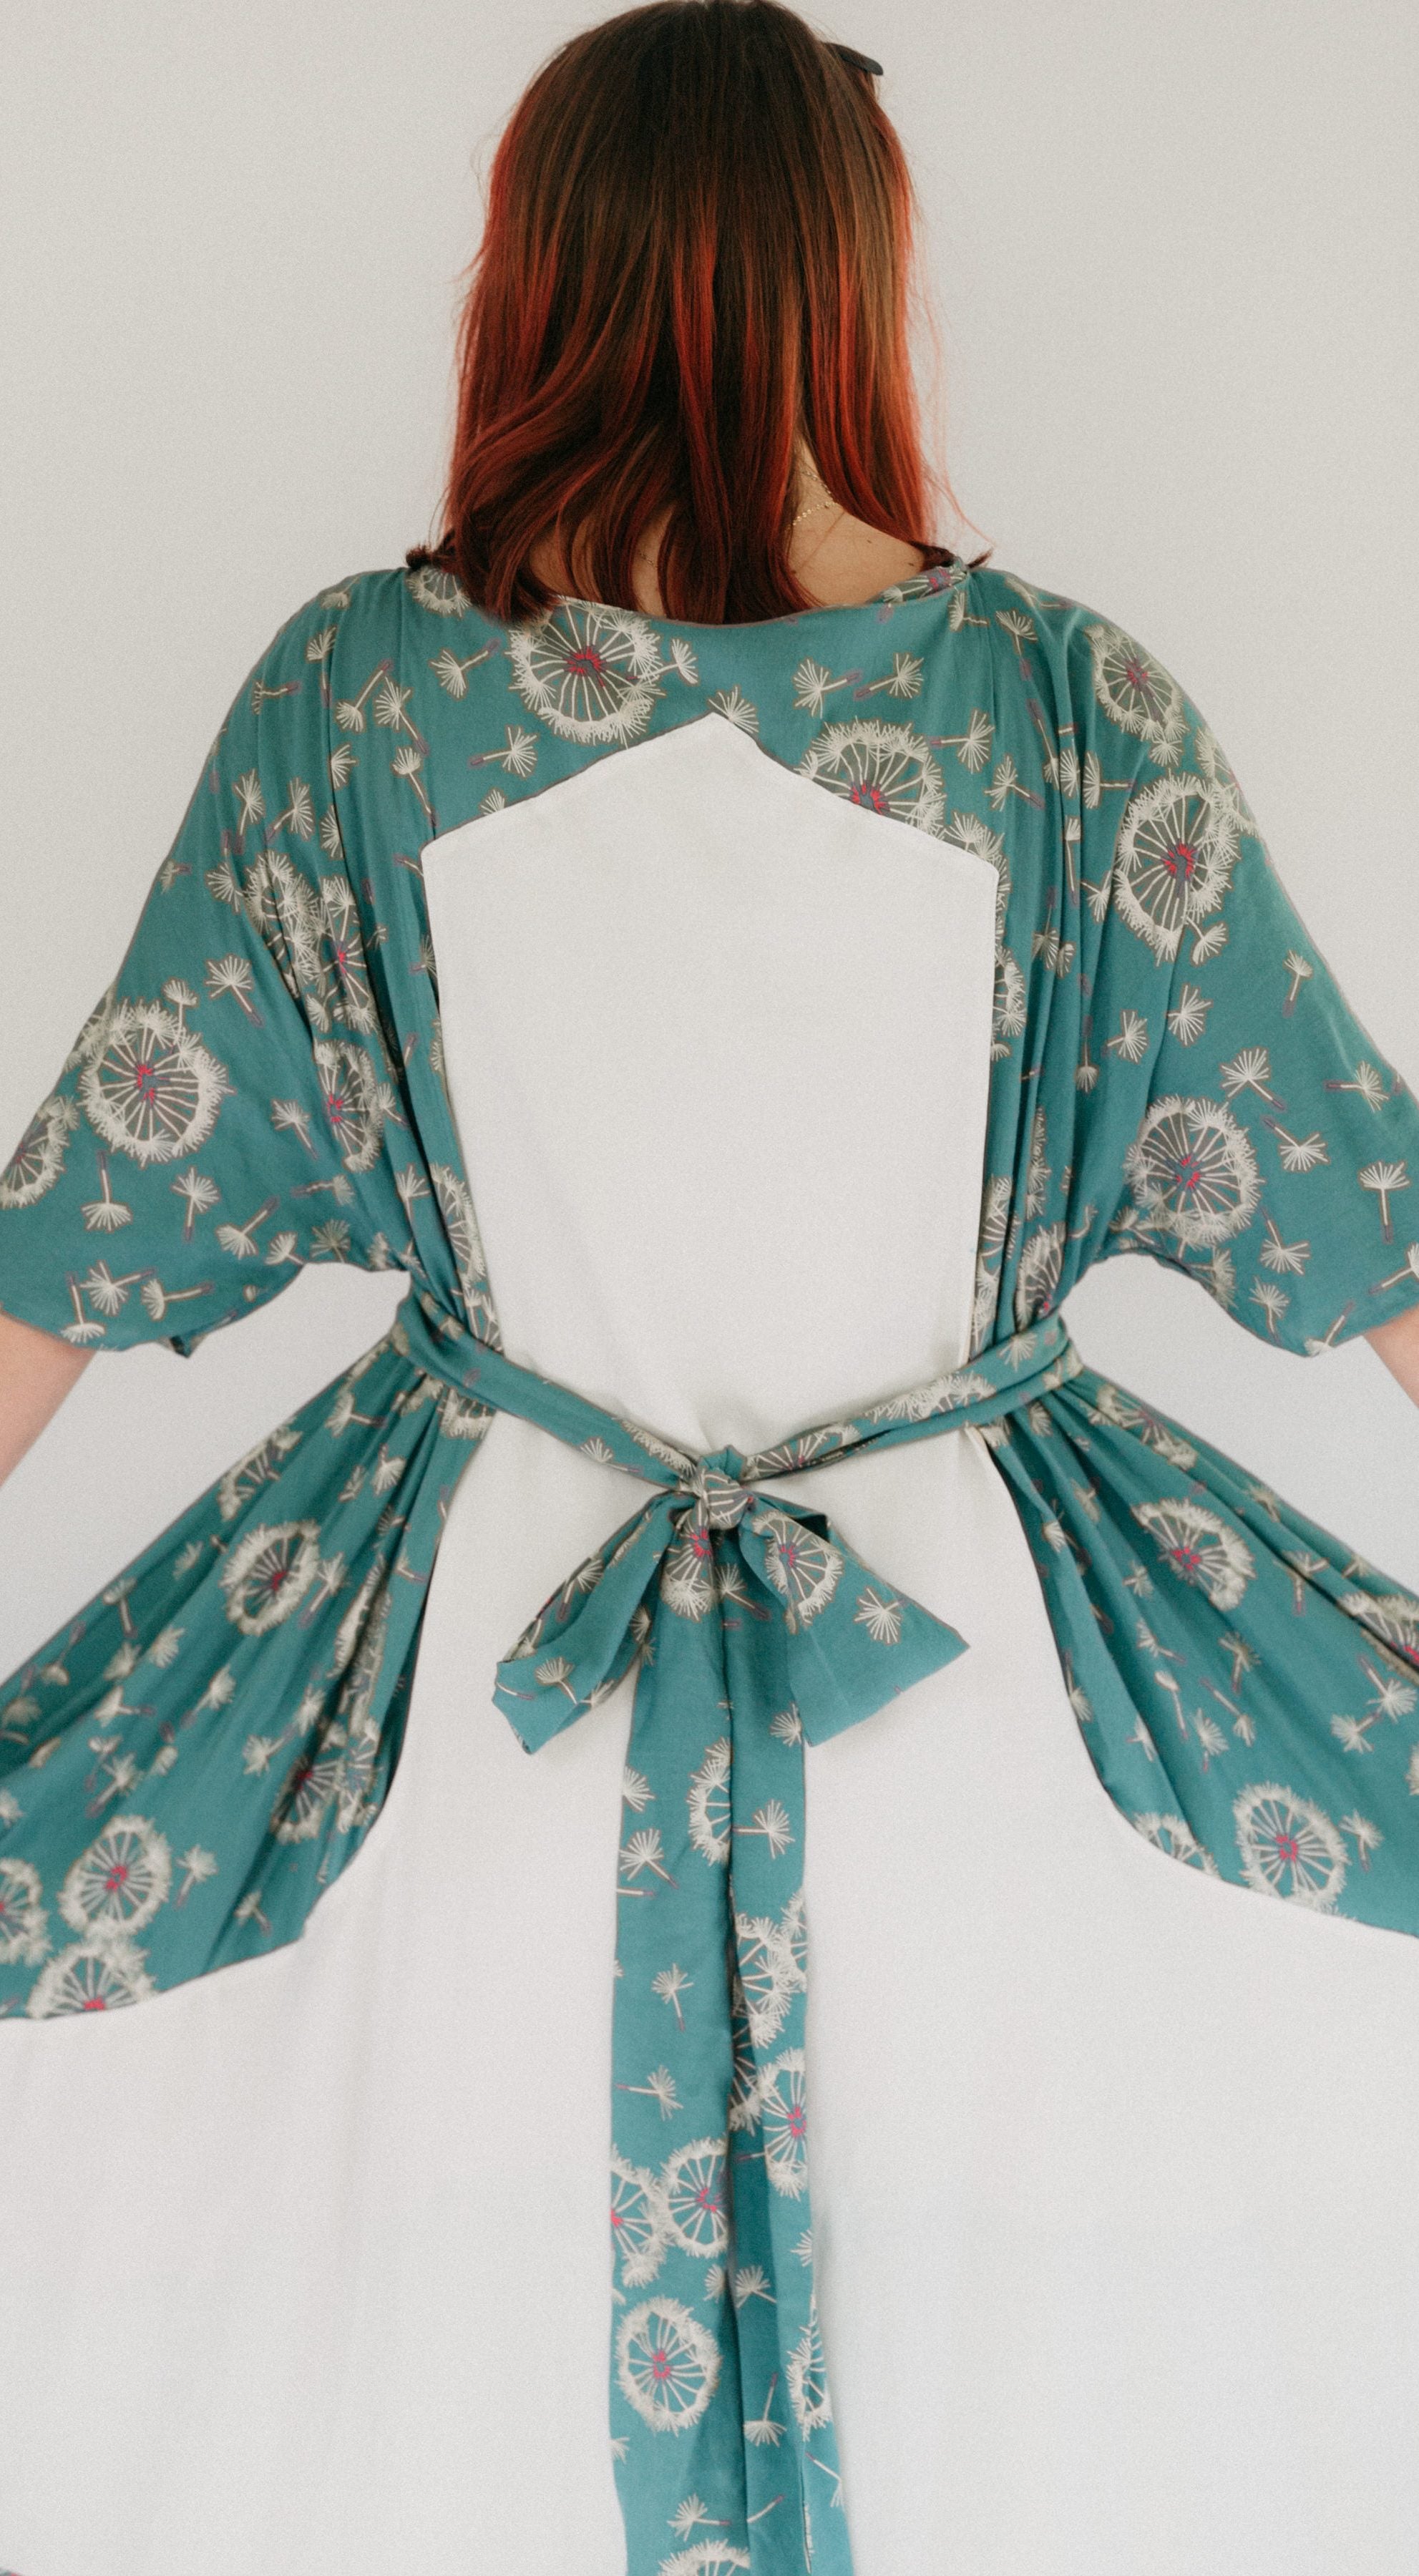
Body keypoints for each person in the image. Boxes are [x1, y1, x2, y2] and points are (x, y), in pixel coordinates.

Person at [2, 4, 1418, 2571]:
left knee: (446, 2397)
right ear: (847, 281)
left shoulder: (361, 696)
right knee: (1038, 2388)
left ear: (540, 275)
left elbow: (71, 1241)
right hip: (989, 1701)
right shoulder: (1068, 714)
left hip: (477, 1690)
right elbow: (1371, 1225)